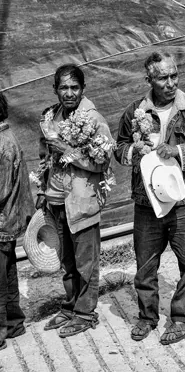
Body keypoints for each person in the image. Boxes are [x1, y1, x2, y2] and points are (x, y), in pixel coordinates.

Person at [115, 51, 185, 345]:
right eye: (163, 78)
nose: (171, 83)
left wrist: (179, 152)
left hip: (184, 199)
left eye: (174, 75)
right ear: (148, 79)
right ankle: (147, 317)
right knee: (145, 263)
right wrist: (135, 152)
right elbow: (119, 148)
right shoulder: (134, 111)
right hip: (146, 201)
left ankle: (184, 318)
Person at [36, 64, 114, 337]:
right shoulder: (49, 117)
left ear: (83, 89)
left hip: (82, 202)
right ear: (55, 89)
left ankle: (85, 313)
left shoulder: (93, 119)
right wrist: (41, 190)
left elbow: (103, 162)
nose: (69, 93)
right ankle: (70, 307)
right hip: (56, 200)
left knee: (85, 263)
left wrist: (69, 151)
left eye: (74, 88)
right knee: (67, 261)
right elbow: (44, 157)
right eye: (63, 87)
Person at [0, 92, 34, 350]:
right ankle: (14, 323)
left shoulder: (1, 144)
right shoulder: (7, 139)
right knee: (8, 273)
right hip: (8, 222)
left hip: (1, 223)